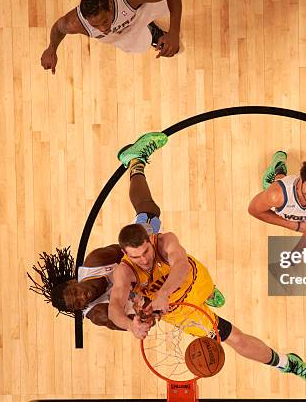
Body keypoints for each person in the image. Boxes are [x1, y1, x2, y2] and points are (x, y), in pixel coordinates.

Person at [28, 132, 224, 328]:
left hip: (143, 267)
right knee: (174, 287)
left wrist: (141, 257)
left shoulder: (95, 261)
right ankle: (200, 292)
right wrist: (142, 320)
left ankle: (135, 159)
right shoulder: (99, 314)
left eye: (75, 292)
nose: (82, 296)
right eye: (78, 303)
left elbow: (125, 245)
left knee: (149, 213)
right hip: (150, 297)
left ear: (73, 282)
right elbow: (127, 321)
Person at [108, 223, 306, 387]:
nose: (144, 260)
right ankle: (289, 364)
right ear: (126, 255)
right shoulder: (125, 271)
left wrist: (164, 292)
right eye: (136, 257)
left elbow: (182, 266)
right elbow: (115, 306)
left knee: (209, 291)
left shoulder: (165, 241)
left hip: (196, 282)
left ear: (149, 239)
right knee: (236, 339)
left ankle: (210, 294)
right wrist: (130, 326)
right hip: (183, 313)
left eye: (146, 251)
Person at [40, 0, 182, 74]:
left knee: (162, 4)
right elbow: (58, 29)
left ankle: (148, 24)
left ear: (110, 3)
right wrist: (52, 48)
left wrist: (174, 32)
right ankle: (151, 31)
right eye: (95, 25)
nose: (102, 29)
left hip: (138, 11)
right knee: (138, 45)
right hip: (121, 34)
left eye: (105, 20)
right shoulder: (73, 23)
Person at [248, 152, 306, 250]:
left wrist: (296, 252)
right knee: (274, 196)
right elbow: (253, 210)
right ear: (301, 178)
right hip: (283, 198)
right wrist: (296, 226)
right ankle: (278, 171)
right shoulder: (276, 195)